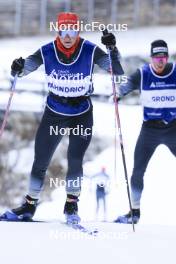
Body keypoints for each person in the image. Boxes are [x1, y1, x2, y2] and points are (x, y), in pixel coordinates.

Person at [0, 12, 124, 224]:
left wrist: (112, 49)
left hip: (82, 113)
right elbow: (23, 70)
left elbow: (117, 72)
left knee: (75, 160)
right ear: (58, 31)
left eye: (72, 30)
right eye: (64, 30)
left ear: (78, 31)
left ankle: (71, 205)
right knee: (41, 160)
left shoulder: (90, 50)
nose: (68, 36)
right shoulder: (47, 50)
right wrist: (17, 67)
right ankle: (29, 206)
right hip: (54, 113)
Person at [114, 39, 176, 224]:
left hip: (173, 128)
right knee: (138, 170)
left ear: (167, 57)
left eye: (163, 56)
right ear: (151, 58)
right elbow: (127, 85)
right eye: (156, 57)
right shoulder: (143, 73)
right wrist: (119, 93)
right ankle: (134, 211)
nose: (160, 61)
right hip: (150, 129)